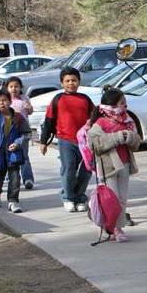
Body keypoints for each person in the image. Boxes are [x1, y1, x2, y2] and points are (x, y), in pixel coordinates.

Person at [87, 87, 141, 242]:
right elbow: (95, 145)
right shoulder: (100, 123)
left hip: (124, 165)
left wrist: (130, 137)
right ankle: (109, 227)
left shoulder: (128, 120)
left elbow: (136, 143)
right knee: (112, 200)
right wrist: (118, 137)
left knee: (122, 199)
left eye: (125, 103)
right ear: (112, 105)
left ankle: (118, 227)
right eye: (122, 103)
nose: (125, 106)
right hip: (108, 168)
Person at [38, 66, 94, 212]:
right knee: (69, 169)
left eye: (74, 80)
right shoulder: (58, 99)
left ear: (79, 82)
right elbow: (49, 121)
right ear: (62, 83)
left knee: (86, 170)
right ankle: (68, 198)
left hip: (85, 142)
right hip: (65, 141)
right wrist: (44, 142)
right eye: (67, 81)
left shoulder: (85, 99)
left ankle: (80, 197)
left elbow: (95, 119)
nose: (71, 83)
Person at [0, 89, 30, 213]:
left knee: (15, 178)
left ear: (10, 101)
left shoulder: (18, 118)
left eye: (4, 100)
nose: (2, 103)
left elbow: (27, 133)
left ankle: (13, 201)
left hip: (13, 154)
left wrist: (18, 143)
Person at [6, 76, 35, 189]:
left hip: (23, 131)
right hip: (9, 130)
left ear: (20, 87)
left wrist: (29, 107)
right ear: (7, 88)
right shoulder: (6, 100)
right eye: (11, 87)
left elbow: (30, 111)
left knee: (24, 155)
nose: (14, 89)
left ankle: (28, 178)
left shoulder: (24, 98)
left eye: (16, 86)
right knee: (9, 155)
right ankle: (11, 176)